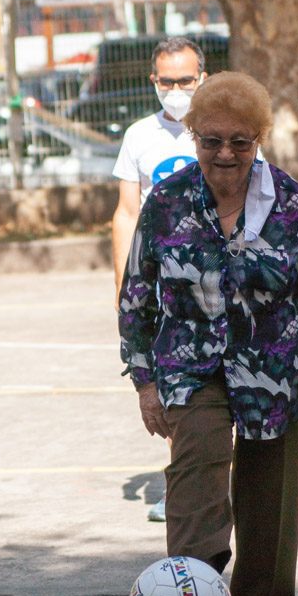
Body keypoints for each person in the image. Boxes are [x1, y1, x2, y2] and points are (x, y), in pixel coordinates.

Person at [118, 71, 298, 596]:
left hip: (279, 374)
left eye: (240, 142)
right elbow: (137, 297)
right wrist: (145, 382)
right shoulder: (167, 202)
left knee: (269, 508)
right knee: (195, 487)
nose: (225, 154)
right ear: (193, 137)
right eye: (212, 140)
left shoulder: (290, 202)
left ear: (258, 141)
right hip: (192, 369)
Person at [111, 36, 207, 522]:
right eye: (166, 81)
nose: (175, 90)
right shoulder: (138, 137)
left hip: (215, 285)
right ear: (153, 82)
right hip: (161, 285)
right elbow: (127, 214)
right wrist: (124, 288)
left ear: (202, 78)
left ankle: (227, 489)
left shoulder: (218, 130)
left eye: (184, 80)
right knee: (174, 389)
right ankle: (184, 490)